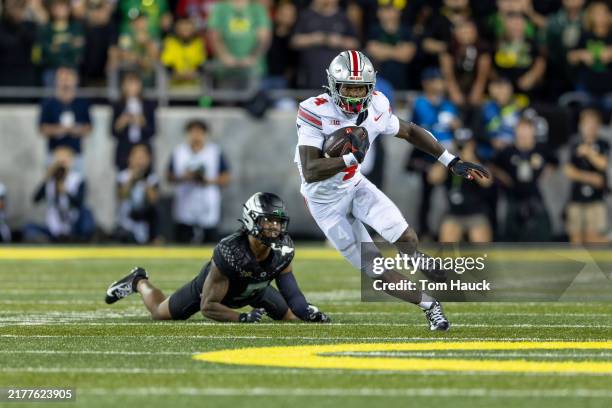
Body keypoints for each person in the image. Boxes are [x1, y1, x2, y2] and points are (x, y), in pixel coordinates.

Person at [294, 50, 490, 331]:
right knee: (376, 269)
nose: (352, 95)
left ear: (370, 88)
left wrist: (451, 161)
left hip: (354, 183)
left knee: (405, 235)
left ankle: (417, 258)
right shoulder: (315, 109)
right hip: (324, 201)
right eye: (347, 87)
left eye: (359, 88)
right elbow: (311, 170)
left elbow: (409, 131)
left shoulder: (376, 105)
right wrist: (350, 158)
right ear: (333, 85)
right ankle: (430, 305)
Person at [105, 192, 330, 323]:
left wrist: (309, 311)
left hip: (256, 290)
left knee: (293, 318)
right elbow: (208, 305)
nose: (274, 227)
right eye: (268, 221)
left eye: (278, 222)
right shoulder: (231, 251)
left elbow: (293, 295)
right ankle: (139, 281)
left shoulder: (284, 249)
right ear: (252, 220)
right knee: (159, 314)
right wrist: (239, 318)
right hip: (215, 291)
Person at [491, 117, 557, 242]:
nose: (524, 136)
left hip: (537, 198)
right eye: (521, 132)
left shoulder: (541, 149)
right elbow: (492, 166)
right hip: (513, 199)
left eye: (527, 132)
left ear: (533, 132)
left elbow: (555, 162)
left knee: (542, 236)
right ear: (516, 132)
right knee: (510, 237)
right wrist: (504, 177)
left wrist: (547, 173)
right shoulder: (508, 151)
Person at [167, 119, 231, 243]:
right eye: (193, 132)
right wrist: (185, 177)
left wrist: (208, 181)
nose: (196, 136)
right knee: (183, 240)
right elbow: (169, 177)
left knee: (210, 242)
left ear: (205, 134)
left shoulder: (214, 151)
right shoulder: (179, 152)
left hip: (207, 201)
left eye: (199, 132)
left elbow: (226, 177)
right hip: (185, 202)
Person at [428, 130, 494, 243]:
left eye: (465, 144)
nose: (461, 147)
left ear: (472, 144)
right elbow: (432, 178)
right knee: (447, 237)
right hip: (454, 214)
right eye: (459, 144)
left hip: (476, 213)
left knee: (480, 242)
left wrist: (470, 160)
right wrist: (447, 158)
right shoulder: (450, 162)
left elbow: (487, 182)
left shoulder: (479, 159)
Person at [23, 146, 94, 242]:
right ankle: (49, 239)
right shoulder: (50, 181)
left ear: (71, 161)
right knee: (29, 227)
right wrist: (47, 178)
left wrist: (66, 192)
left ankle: (79, 238)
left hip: (73, 224)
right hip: (54, 227)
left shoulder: (78, 179)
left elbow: (79, 203)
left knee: (87, 213)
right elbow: (35, 199)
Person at [564, 109, 609, 244]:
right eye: (586, 123)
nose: (589, 127)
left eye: (593, 124)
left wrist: (589, 152)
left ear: (598, 126)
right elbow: (569, 171)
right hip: (576, 199)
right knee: (576, 239)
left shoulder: (603, 144)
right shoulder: (574, 143)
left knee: (593, 239)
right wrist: (589, 178)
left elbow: (604, 165)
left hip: (596, 200)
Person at [39, 67, 92, 166]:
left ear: (75, 81)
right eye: (62, 79)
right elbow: (42, 128)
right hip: (54, 154)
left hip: (76, 154)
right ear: (56, 81)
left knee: (76, 180)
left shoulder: (82, 103)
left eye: (68, 79)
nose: (65, 83)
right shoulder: (48, 103)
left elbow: (89, 127)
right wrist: (60, 129)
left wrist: (75, 129)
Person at [114, 144, 160, 244]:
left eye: (143, 157)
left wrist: (143, 180)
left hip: (144, 219)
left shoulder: (152, 178)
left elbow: (154, 200)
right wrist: (132, 180)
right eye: (137, 157)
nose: (140, 161)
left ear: (148, 160)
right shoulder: (122, 176)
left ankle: (154, 239)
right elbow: (121, 196)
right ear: (130, 159)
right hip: (127, 219)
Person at [111, 72, 156, 170]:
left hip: (143, 147)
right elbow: (113, 132)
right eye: (129, 84)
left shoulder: (148, 105)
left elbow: (153, 131)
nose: (132, 87)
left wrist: (142, 122)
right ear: (123, 86)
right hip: (124, 149)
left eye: (135, 84)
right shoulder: (118, 105)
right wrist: (122, 122)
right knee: (123, 178)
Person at [161, 17, 206, 88]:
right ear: (177, 28)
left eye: (188, 27)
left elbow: (201, 65)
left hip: (195, 89)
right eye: (183, 28)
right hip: (173, 89)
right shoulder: (170, 42)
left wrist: (193, 73)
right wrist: (178, 74)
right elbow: (167, 65)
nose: (185, 30)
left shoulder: (198, 43)